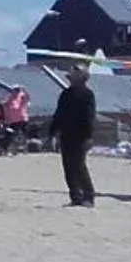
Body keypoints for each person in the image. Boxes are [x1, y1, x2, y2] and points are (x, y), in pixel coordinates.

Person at [51, 69, 99, 207]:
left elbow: (89, 117)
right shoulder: (65, 94)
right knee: (68, 166)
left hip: (81, 135)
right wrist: (53, 131)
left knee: (79, 165)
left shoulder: (88, 94)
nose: (71, 79)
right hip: (66, 134)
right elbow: (59, 113)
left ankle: (88, 196)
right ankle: (75, 196)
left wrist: (89, 136)